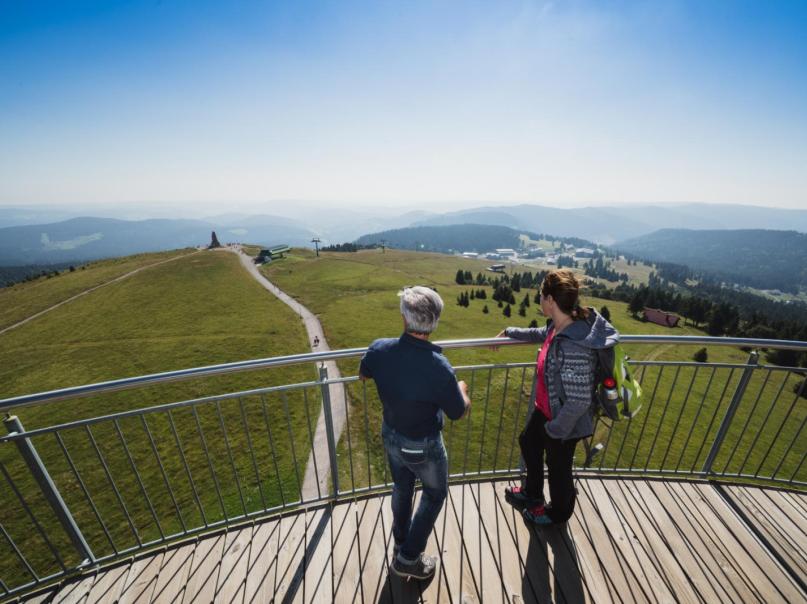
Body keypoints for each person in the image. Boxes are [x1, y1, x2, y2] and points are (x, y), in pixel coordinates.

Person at [360, 286, 471, 580]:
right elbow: (458, 412)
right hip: (424, 446)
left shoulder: (379, 349)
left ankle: (400, 541)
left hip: (392, 436)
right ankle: (408, 558)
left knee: (402, 487)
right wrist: (462, 390)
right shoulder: (439, 368)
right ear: (434, 323)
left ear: (404, 318)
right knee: (434, 495)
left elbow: (364, 373)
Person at [494, 269, 618, 526]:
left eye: (541, 295)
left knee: (559, 470)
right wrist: (509, 331)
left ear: (550, 300)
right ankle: (533, 493)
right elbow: (540, 334)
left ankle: (558, 513)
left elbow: (579, 400)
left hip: (565, 422)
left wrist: (555, 430)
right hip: (548, 409)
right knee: (528, 442)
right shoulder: (559, 327)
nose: (540, 299)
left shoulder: (573, 344)